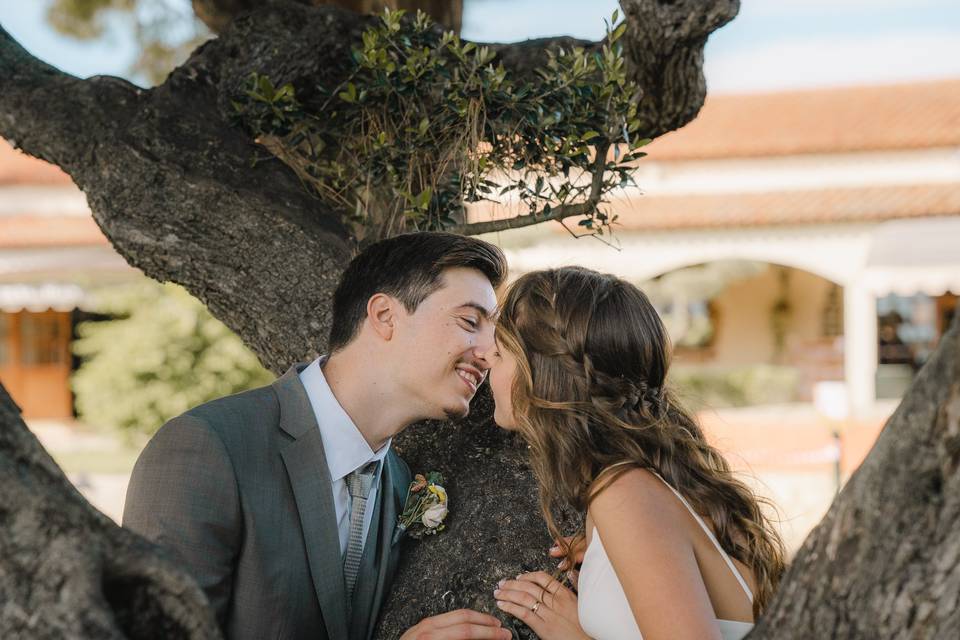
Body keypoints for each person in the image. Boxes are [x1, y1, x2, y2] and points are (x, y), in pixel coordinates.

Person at [123, 232, 513, 640]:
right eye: (470, 322)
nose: (489, 352)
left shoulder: (399, 483)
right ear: (384, 316)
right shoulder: (205, 449)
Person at [485, 267, 786, 640]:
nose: (485, 362)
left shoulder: (625, 493)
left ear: (545, 375)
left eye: (499, 353)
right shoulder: (634, 489)